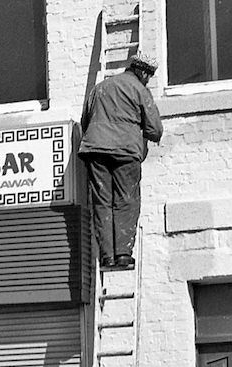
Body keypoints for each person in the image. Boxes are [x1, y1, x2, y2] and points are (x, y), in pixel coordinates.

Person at [78, 52, 164, 270]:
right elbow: (154, 129)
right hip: (125, 152)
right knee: (126, 200)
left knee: (102, 202)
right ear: (143, 72)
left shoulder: (100, 88)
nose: (148, 80)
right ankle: (123, 255)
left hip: (95, 150)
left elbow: (85, 121)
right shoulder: (139, 90)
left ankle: (107, 257)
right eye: (149, 76)